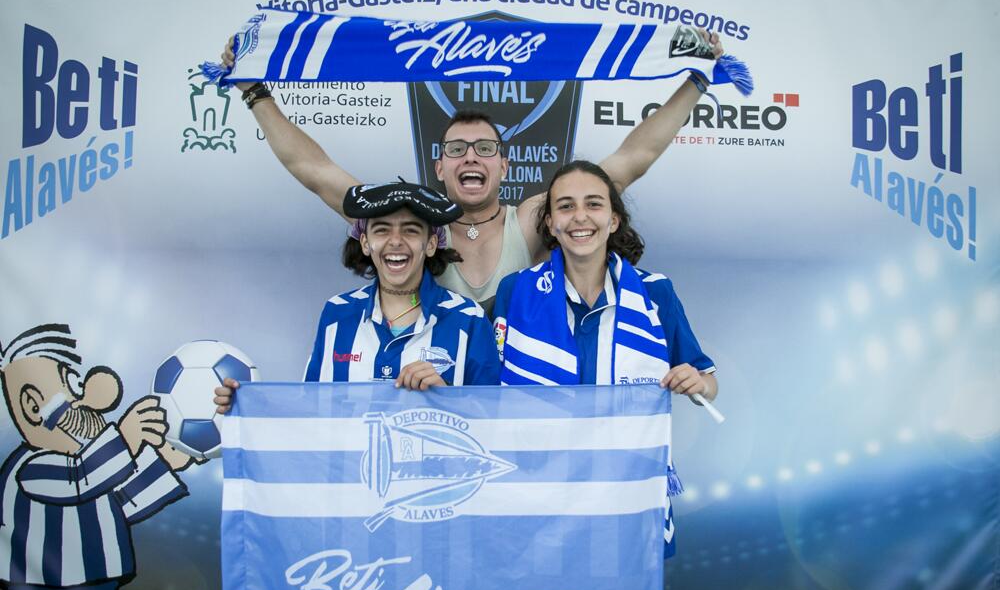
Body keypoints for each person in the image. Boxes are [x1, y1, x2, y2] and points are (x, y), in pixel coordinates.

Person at [219, 32, 723, 311]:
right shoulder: (412, 219)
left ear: (505, 164)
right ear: (439, 166)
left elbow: (631, 160)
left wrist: (696, 83)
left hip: (523, 393)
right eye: (457, 149)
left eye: (485, 148)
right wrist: (255, 93)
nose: (471, 158)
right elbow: (313, 170)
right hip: (432, 395)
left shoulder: (534, 218)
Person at [490, 160, 717, 555]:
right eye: (565, 206)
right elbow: (490, 388)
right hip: (540, 495)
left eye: (593, 204)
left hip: (626, 492)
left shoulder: (655, 294)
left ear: (613, 220)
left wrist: (697, 384)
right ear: (550, 224)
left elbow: (708, 384)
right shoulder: (516, 291)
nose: (580, 217)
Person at [215, 181, 500, 412]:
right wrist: (246, 407)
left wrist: (447, 399)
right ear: (365, 243)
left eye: (411, 230)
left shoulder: (469, 318)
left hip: (436, 481)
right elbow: (310, 410)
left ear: (431, 244)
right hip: (346, 482)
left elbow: (497, 419)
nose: (396, 241)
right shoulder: (337, 312)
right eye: (382, 230)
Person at [0, 324, 194, 590]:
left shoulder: (87, 465)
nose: (89, 400)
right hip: (57, 585)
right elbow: (81, 479)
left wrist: (164, 463)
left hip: (97, 579)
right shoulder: (33, 467)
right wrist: (127, 438)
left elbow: (119, 502)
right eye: (73, 387)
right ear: (33, 405)